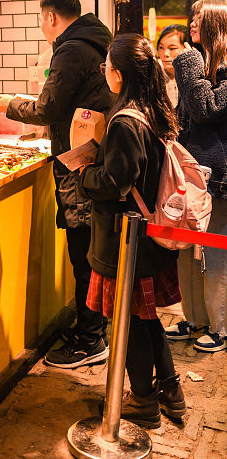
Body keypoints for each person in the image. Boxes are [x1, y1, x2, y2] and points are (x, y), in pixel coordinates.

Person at [0, 0, 114, 367]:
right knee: (91, 250)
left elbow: (47, 109)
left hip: (79, 165)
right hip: (96, 158)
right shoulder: (98, 40)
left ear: (50, 17)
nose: (42, 27)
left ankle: (90, 342)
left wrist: (10, 104)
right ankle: (94, 328)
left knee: (83, 252)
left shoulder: (70, 49)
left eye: (41, 20)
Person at [79, 33, 185, 428]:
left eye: (106, 66)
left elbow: (115, 183)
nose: (104, 71)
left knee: (132, 324)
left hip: (127, 240)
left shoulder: (125, 121)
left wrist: (84, 173)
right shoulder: (153, 109)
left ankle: (142, 400)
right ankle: (171, 390)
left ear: (119, 75)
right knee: (146, 318)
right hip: (149, 236)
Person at [164, 0, 227, 352]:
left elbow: (205, 109)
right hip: (190, 176)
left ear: (217, 23)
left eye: (200, 17)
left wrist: (186, 62)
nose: (192, 22)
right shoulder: (202, 65)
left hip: (218, 178)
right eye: (192, 16)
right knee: (187, 249)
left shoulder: (214, 67)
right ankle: (195, 320)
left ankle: (221, 327)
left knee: (216, 251)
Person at [156, 24, 187, 108]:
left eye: (172, 48)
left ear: (186, 48)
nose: (165, 54)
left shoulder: (192, 75)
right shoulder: (153, 74)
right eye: (161, 47)